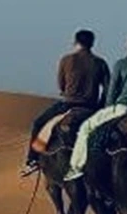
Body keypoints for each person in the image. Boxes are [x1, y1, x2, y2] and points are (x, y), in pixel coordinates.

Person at [64, 33, 127, 181]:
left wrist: (106, 109)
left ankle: (76, 167)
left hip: (126, 108)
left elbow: (112, 92)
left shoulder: (122, 63)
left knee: (86, 128)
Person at [22, 30, 111, 175]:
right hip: (91, 107)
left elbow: (61, 85)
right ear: (92, 44)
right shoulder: (100, 63)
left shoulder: (66, 60)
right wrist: (99, 107)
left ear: (76, 42)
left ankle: (33, 160)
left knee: (38, 123)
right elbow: (107, 89)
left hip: (68, 105)